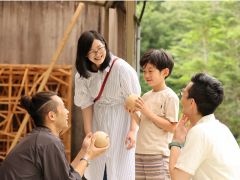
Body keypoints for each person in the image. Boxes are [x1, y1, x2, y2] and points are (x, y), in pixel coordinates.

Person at [74, 30, 141, 180]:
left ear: (105, 44)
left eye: (100, 48)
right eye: (91, 52)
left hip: (121, 121)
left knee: (119, 168)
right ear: (84, 54)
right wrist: (89, 132)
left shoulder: (121, 68)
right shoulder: (82, 75)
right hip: (99, 120)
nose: (97, 54)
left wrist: (132, 130)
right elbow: (85, 105)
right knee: (98, 164)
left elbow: (134, 101)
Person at [0, 91, 108, 180]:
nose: (67, 111)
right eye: (64, 107)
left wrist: (84, 151)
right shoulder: (48, 142)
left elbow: (66, 175)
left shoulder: (42, 138)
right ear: (52, 116)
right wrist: (88, 156)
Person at [169, 73, 240, 180]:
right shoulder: (222, 129)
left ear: (192, 103)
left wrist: (176, 141)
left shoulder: (200, 132)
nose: (181, 98)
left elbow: (178, 178)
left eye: (183, 93)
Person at [127, 49, 179, 179]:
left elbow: (172, 127)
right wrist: (132, 113)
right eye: (144, 71)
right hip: (140, 153)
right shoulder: (145, 96)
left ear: (165, 72)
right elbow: (143, 123)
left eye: (151, 71)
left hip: (158, 155)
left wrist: (147, 112)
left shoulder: (170, 97)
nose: (146, 75)